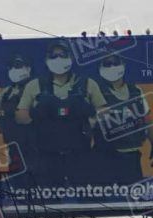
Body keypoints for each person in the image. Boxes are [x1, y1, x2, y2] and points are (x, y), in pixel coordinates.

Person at [15, 40, 106, 188]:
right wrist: (35, 113)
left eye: (62, 55)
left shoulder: (87, 84)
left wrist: (91, 121)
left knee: (86, 201)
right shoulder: (34, 85)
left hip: (80, 155)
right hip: (47, 157)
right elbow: (20, 117)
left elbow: (104, 111)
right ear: (46, 60)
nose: (58, 59)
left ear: (71, 58)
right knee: (48, 203)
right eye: (54, 55)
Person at [92, 53, 153, 185]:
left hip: (131, 157)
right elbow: (87, 122)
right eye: (107, 64)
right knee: (104, 202)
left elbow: (147, 118)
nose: (112, 67)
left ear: (123, 65)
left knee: (133, 199)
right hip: (104, 156)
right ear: (100, 68)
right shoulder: (95, 90)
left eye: (115, 63)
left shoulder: (135, 90)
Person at [0, 54, 36, 179]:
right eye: (10, 67)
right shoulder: (7, 91)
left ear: (28, 68)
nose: (13, 70)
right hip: (12, 148)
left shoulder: (35, 87)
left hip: (33, 149)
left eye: (17, 66)